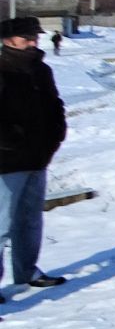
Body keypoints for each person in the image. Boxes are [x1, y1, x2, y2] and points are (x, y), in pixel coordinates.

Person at [1, 17, 68, 300]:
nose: (33, 42)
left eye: (35, 37)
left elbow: (54, 106)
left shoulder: (41, 69)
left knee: (29, 220)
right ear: (8, 40)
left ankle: (27, 271)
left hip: (38, 157)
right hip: (6, 162)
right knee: (2, 225)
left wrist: (56, 134)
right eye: (26, 37)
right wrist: (10, 141)